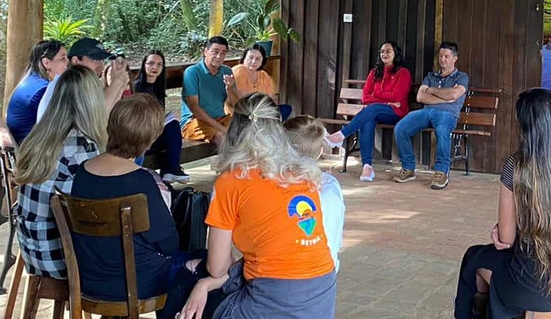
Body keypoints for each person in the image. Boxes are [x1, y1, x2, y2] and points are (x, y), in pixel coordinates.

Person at [178, 94, 336, 319]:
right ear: (279, 128)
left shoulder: (231, 181)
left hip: (275, 295)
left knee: (184, 280)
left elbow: (217, 268)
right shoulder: (303, 173)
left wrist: (204, 284)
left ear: (234, 129)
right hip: (322, 293)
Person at [455, 88, 551, 319]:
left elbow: (506, 240)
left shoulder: (517, 166)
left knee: (473, 258)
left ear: (526, 125)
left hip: (534, 288)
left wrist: (503, 228)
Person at [69, 95, 203, 319]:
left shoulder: (83, 172)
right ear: (149, 140)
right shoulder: (142, 182)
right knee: (202, 265)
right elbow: (169, 244)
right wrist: (165, 203)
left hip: (89, 280)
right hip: (138, 284)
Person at [14, 65, 107, 279]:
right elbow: (97, 211)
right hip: (61, 261)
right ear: (92, 103)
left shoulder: (40, 135)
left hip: (32, 250)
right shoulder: (81, 146)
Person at [324, 41, 413, 182]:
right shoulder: (374, 72)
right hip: (376, 111)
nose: (384, 54)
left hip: (396, 112)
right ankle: (367, 166)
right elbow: (365, 97)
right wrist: (385, 101)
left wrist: (376, 96)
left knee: (372, 109)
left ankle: (341, 135)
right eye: (382, 51)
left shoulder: (403, 73)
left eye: (388, 51)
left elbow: (396, 97)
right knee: (368, 119)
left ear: (396, 53)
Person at [393, 41, 469, 190]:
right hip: (426, 112)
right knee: (401, 128)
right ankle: (408, 168)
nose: (442, 59)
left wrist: (431, 91)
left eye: (446, 56)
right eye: (440, 56)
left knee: (442, 130)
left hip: (447, 114)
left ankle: (441, 172)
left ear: (454, 58)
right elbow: (420, 97)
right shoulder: (431, 76)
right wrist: (445, 97)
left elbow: (454, 94)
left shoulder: (461, 77)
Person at [284, 115, 345, 271]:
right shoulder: (331, 185)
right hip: (327, 270)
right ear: (320, 152)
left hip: (286, 271)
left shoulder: (273, 184)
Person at [36, 37, 130, 122]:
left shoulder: (85, 84)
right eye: (94, 60)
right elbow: (96, 117)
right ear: (75, 61)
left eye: (102, 61)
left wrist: (121, 85)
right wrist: (118, 82)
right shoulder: (65, 84)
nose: (101, 66)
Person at [132, 50, 190, 184]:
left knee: (173, 125)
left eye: (159, 64)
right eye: (151, 63)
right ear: (144, 65)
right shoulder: (136, 87)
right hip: (140, 139)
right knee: (171, 130)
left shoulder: (158, 87)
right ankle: (171, 169)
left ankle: (170, 171)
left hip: (155, 135)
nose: (155, 67)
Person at [7, 39, 68, 143]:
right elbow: (57, 125)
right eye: (63, 58)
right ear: (47, 62)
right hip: (31, 148)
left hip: (22, 143)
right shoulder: (43, 90)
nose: (68, 61)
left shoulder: (32, 81)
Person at [180, 36, 234, 143]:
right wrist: (223, 129)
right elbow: (195, 109)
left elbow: (233, 104)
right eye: (215, 52)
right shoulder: (192, 72)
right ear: (205, 52)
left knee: (248, 131)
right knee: (222, 138)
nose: (219, 56)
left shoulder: (227, 72)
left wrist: (229, 89)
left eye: (223, 53)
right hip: (194, 122)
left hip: (220, 118)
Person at [227, 46, 291, 121]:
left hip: (261, 110)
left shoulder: (263, 75)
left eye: (258, 59)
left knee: (286, 109)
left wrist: (268, 110)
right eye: (251, 57)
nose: (254, 61)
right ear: (244, 58)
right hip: (242, 113)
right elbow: (244, 100)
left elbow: (271, 99)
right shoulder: (238, 71)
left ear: (262, 61)